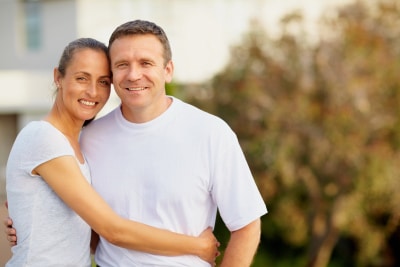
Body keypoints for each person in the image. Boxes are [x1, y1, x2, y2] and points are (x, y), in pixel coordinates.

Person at [6, 20, 267, 266]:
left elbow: (246, 224)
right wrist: (197, 245)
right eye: (121, 65)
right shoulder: (87, 138)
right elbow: (104, 228)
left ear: (168, 70)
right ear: (58, 77)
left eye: (145, 63)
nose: (133, 75)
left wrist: (31, 220)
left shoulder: (211, 132)